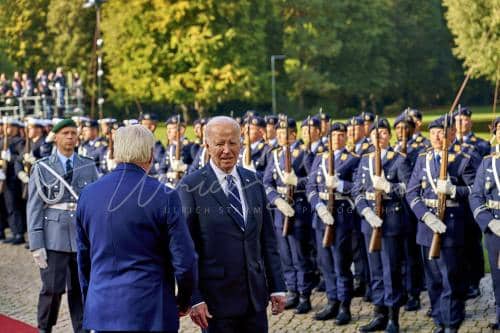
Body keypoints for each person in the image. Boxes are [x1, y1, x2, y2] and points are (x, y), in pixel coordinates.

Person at [75, 125, 196, 333]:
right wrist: (184, 300)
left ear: (115, 152)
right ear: (150, 155)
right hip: (151, 310)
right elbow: (184, 261)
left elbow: (84, 260)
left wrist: (92, 301)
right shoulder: (165, 196)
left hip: (102, 306)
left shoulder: (88, 194)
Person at [177, 116, 286, 333]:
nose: (227, 150)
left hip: (254, 300)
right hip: (216, 304)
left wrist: (277, 287)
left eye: (232, 143)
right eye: (219, 144)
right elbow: (186, 249)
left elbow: (267, 240)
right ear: (207, 145)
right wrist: (195, 298)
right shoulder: (191, 186)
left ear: (241, 143)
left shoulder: (254, 181)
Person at [27, 119, 99, 333]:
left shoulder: (88, 165)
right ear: (55, 137)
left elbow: (94, 204)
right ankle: (44, 328)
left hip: (80, 237)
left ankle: (83, 329)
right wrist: (36, 243)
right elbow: (34, 207)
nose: (70, 137)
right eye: (66, 133)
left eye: (74, 133)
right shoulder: (42, 167)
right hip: (53, 237)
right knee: (52, 289)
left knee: (81, 289)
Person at [406, 116, 476, 333]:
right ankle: (439, 319)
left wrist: (454, 190)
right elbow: (411, 191)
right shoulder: (423, 158)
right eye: (434, 132)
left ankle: (451, 323)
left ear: (453, 135)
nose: (437, 137)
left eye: (442, 132)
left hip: (451, 227)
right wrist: (425, 216)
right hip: (427, 227)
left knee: (450, 279)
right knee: (433, 279)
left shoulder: (464, 158)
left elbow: (476, 190)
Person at [353, 118, 411, 333]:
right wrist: (366, 212)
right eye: (376, 133)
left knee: (390, 271)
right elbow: (357, 191)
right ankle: (379, 314)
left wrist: (388, 187)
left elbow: (407, 188)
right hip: (370, 223)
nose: (379, 137)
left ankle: (393, 317)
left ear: (390, 136)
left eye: (384, 133)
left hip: (391, 222)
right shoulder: (365, 160)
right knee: (375, 271)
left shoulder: (398, 160)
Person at [306, 122, 360, 324]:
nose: (337, 139)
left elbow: (358, 187)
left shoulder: (353, 159)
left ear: (346, 137)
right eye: (334, 135)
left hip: (342, 216)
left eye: (341, 135)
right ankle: (332, 301)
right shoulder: (320, 158)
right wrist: (318, 207)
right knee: (326, 263)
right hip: (321, 218)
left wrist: (340, 185)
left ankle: (345, 305)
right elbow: (311, 186)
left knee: (341, 263)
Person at [262, 117, 316, 314]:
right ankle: (292, 290)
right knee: (285, 255)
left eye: (284, 133)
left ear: (293, 134)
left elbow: (313, 180)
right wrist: (277, 200)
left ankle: (304, 294)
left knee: (300, 255)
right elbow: (267, 182)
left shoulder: (304, 153)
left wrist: (297, 182)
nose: (280, 136)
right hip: (280, 211)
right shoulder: (274, 154)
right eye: (278, 133)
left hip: (299, 210)